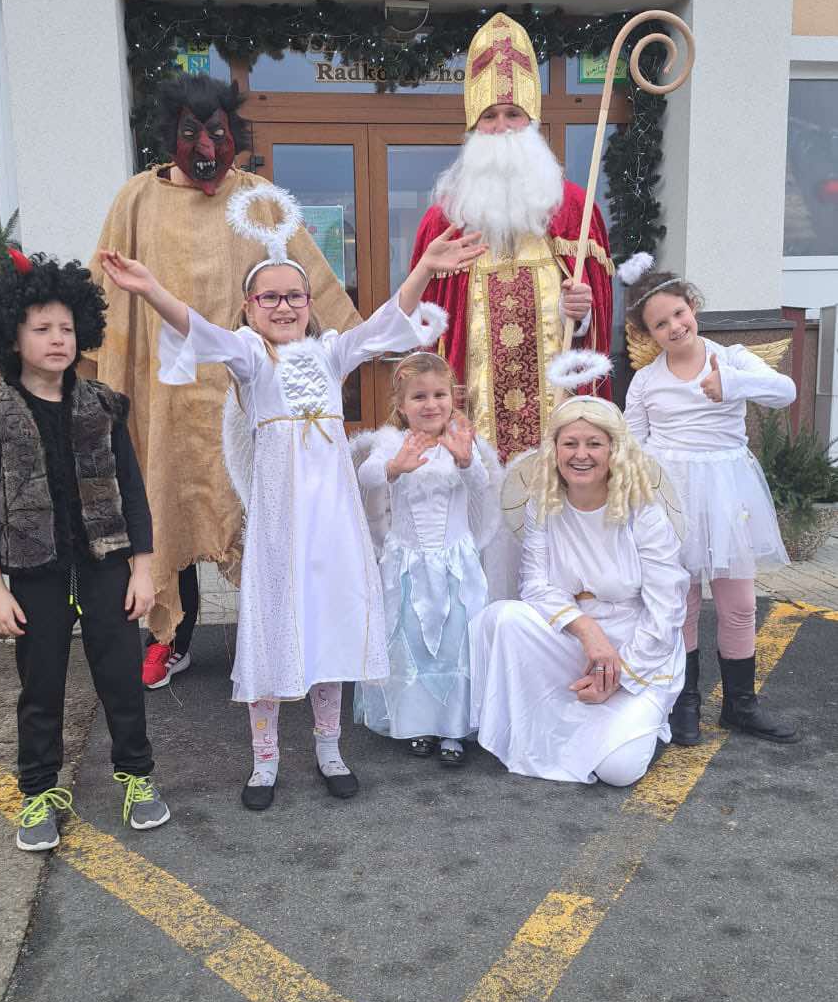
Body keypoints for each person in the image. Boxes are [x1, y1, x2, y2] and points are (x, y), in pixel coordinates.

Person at [99, 197, 482, 811]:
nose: (283, 307)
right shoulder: (251, 357)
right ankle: (265, 758)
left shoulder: (332, 355)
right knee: (272, 634)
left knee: (329, 630)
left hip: (333, 525)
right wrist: (151, 289)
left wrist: (425, 269)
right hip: (280, 528)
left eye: (294, 296)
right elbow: (197, 329)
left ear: (310, 303)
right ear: (250, 307)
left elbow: (387, 321)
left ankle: (330, 749)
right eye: (270, 297)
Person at [84, 74, 358, 690]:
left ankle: (284, 635)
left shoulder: (258, 198)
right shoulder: (136, 200)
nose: (205, 146)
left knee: (265, 509)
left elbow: (309, 282)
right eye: (191, 132)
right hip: (167, 394)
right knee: (168, 500)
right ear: (170, 134)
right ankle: (170, 637)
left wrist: (354, 347)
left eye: (217, 131)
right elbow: (104, 290)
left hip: (251, 389)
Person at [0, 252, 169, 852]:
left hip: (107, 566)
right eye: (41, 328)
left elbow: (133, 491)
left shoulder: (103, 405)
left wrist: (143, 570)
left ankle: (137, 776)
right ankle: (38, 792)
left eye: (66, 328)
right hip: (34, 574)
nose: (57, 339)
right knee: (41, 683)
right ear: (12, 336)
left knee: (121, 678)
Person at [409, 12, 614, 465]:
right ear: (473, 127)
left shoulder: (574, 210)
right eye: (490, 116)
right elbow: (427, 328)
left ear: (532, 120)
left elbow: (596, 318)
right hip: (475, 412)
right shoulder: (446, 219)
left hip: (556, 415)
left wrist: (581, 314)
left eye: (513, 114)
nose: (501, 126)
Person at [622, 259, 798, 745]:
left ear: (693, 306)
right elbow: (632, 446)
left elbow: (785, 392)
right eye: (661, 324)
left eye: (679, 313)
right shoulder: (646, 381)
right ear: (648, 334)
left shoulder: (732, 358)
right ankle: (684, 701)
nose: (675, 327)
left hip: (727, 496)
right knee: (680, 603)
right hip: (670, 499)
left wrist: (732, 385)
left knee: (738, 604)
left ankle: (741, 705)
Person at [469, 397, 689, 785]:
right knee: (501, 618)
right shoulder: (543, 506)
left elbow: (666, 611)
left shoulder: (643, 512)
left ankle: (631, 715)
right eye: (570, 443)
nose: (581, 455)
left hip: (637, 649)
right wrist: (587, 631)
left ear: (614, 451)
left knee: (618, 771)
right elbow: (535, 586)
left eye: (594, 444)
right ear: (554, 450)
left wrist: (618, 675)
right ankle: (555, 717)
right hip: (577, 639)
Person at [352, 351, 500, 765]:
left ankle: (454, 729)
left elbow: (481, 486)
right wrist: (393, 468)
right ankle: (417, 723)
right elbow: (366, 475)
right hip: (407, 563)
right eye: (419, 397)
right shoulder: (392, 442)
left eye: (439, 395)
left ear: (452, 398)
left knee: (456, 642)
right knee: (412, 641)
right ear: (401, 405)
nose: (431, 404)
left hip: (455, 564)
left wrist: (466, 461)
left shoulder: (461, 442)